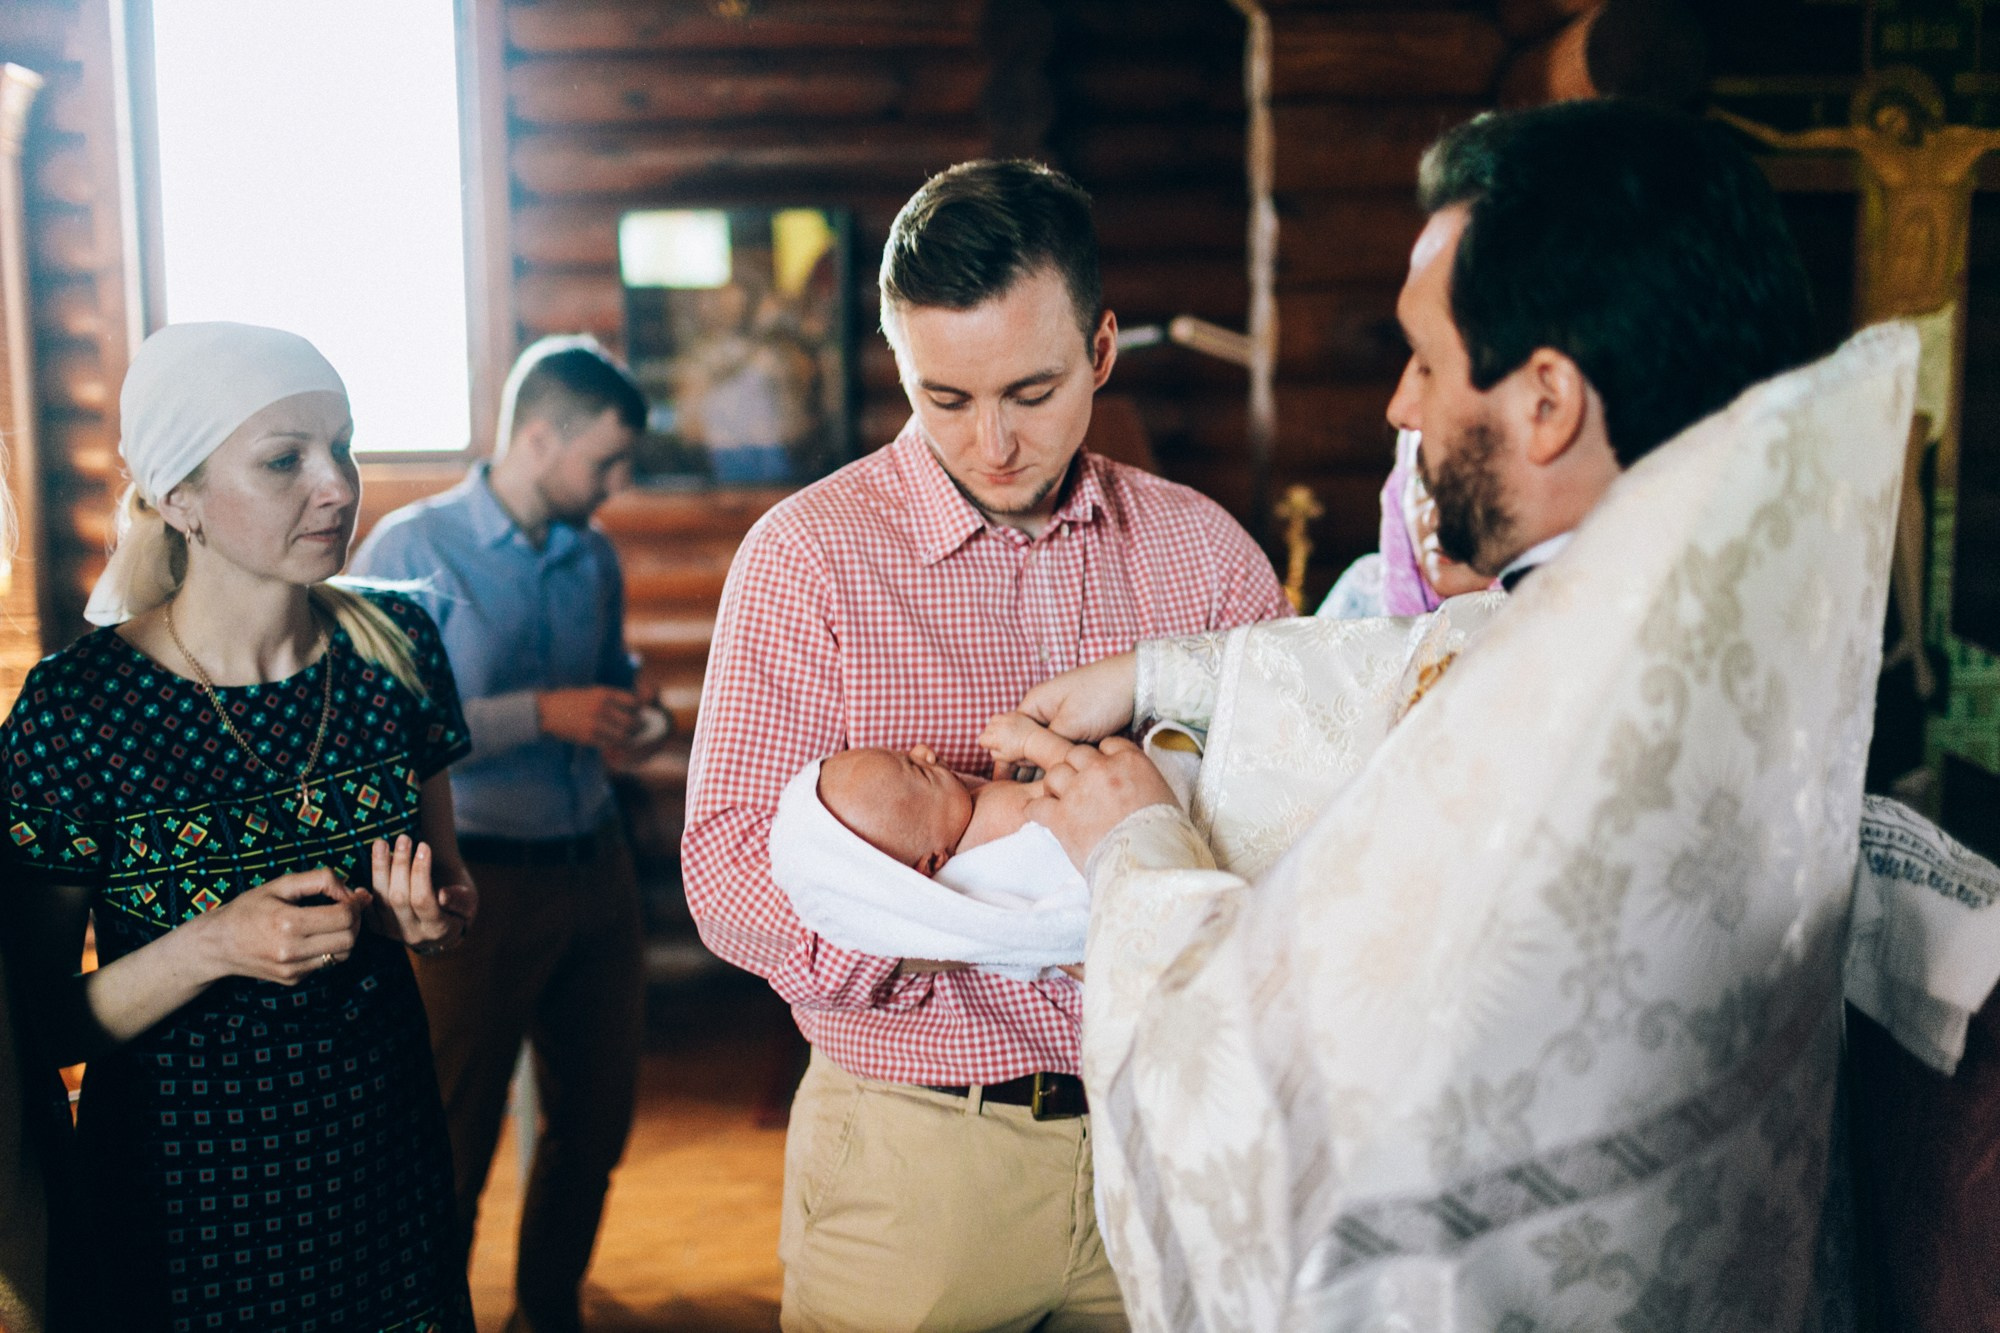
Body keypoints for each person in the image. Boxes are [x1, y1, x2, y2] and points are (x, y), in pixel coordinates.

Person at [981, 102, 1997, 1329]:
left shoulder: (1553, 750)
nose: (1399, 409)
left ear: (1545, 401)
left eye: (1423, 360)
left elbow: (1257, 1146)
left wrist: (1131, 850)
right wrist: (1169, 677)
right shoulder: (1704, 623)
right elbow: (1435, 657)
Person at [682, 157, 1292, 1331]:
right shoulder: (805, 558)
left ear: (1102, 351)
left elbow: (1292, 813)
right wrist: (962, 936)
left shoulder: (1204, 554)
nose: (994, 443)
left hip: (1163, 1140)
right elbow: (723, 871)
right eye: (944, 399)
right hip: (917, 1156)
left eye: (1031, 389)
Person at [0, 321, 476, 1331]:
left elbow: (447, 892)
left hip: (385, 1185)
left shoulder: (397, 649)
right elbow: (32, 1026)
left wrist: (427, 921)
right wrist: (213, 945)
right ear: (179, 500)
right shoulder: (78, 709)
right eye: (283, 460)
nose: (338, 484)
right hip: (180, 1219)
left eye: (341, 445)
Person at [350, 335, 667, 1333]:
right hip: (469, 882)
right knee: (451, 1126)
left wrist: (632, 713)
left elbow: (605, 680)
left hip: (596, 868)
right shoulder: (408, 551)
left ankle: (546, 1308)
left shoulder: (593, 554)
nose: (614, 486)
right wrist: (544, 712)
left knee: (594, 1117)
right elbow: (374, 727)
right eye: (604, 461)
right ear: (540, 435)